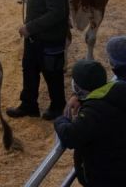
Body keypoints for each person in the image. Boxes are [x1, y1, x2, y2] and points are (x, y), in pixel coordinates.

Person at [7, 0, 69, 121]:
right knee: (29, 69)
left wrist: (29, 27)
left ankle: (58, 107)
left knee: (53, 74)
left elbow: (57, 13)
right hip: (36, 38)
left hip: (49, 38)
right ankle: (28, 105)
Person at [54, 59, 126, 187]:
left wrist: (61, 119)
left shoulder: (92, 113)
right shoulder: (120, 88)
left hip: (107, 177)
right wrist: (80, 98)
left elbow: (69, 136)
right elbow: (102, 98)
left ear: (79, 88)